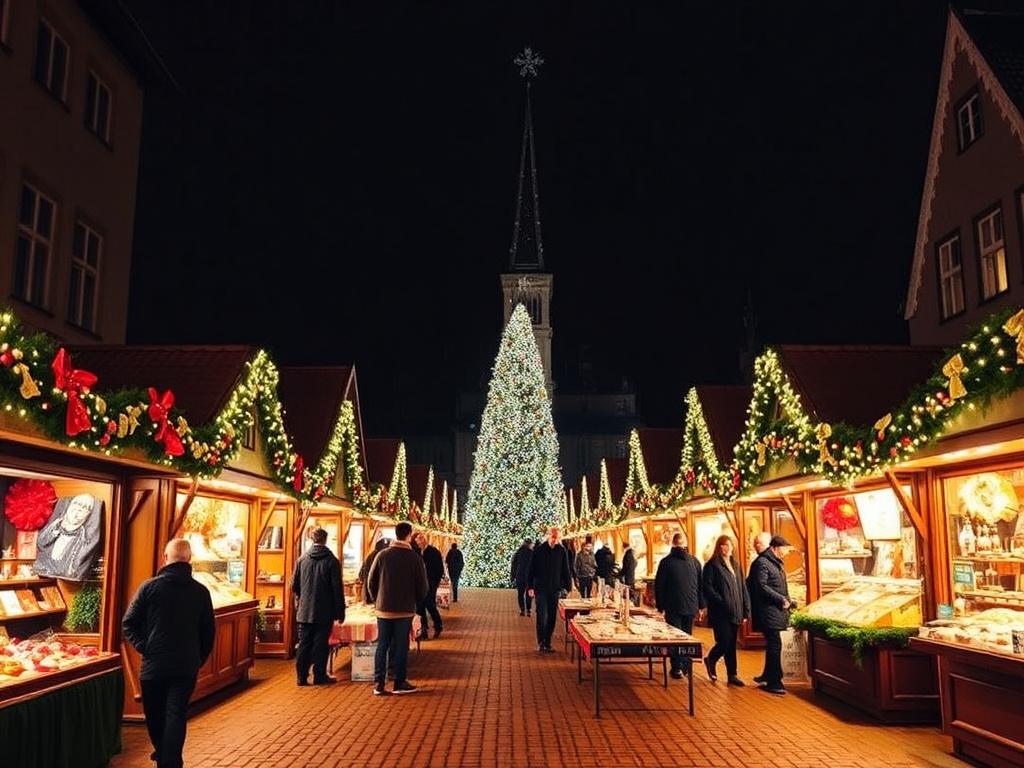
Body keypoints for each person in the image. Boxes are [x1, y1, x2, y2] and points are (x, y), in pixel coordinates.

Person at [122, 539, 215, 768]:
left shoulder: (149, 587)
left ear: (165, 558)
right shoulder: (201, 592)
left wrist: (145, 646)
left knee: (154, 715)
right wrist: (198, 658)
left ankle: (166, 757)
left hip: (154, 666)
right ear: (189, 559)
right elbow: (208, 631)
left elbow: (128, 623)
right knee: (176, 714)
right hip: (186, 664)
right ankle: (170, 759)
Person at [366, 521, 428, 696]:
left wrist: (376, 600)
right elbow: (423, 587)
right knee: (401, 646)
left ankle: (379, 683)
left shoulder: (382, 555)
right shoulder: (415, 558)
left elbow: (371, 581)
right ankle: (399, 682)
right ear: (409, 536)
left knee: (382, 644)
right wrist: (415, 602)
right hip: (405, 610)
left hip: (383, 609)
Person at [292, 527, 346, 685]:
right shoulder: (332, 561)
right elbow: (337, 589)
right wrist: (340, 612)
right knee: (321, 643)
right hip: (324, 610)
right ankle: (319, 675)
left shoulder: (302, 559)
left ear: (312, 539)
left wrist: (302, 598)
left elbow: (294, 584)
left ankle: (301, 676)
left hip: (304, 611)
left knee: (304, 643)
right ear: (325, 540)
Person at [702, 535, 750, 686]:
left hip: (736, 610)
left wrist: (746, 610)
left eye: (730, 545)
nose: (729, 548)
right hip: (721, 612)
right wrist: (721, 601)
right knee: (724, 642)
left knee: (731, 644)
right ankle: (711, 659)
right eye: (725, 545)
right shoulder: (712, 565)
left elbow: (743, 588)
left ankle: (732, 674)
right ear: (719, 547)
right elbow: (707, 587)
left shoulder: (736, 565)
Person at [654, 531, 704, 679]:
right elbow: (700, 585)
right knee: (687, 635)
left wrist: (660, 606)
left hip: (673, 605)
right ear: (685, 544)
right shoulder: (695, 561)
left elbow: (660, 585)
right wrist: (700, 605)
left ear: (673, 544)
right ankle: (686, 664)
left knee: (675, 636)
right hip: (691, 605)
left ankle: (676, 667)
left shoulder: (666, 562)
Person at [748, 534, 793, 695]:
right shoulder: (762, 563)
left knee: (772, 643)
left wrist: (788, 600)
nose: (786, 553)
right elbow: (761, 586)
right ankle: (775, 682)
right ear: (775, 548)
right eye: (784, 549)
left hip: (776, 610)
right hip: (768, 611)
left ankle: (768, 675)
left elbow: (779, 586)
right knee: (775, 644)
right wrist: (781, 599)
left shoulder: (774, 563)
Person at [527, 526, 572, 653]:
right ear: (548, 535)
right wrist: (530, 586)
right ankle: (541, 642)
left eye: (557, 538)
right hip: (540, 588)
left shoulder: (561, 551)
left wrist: (568, 586)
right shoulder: (539, 550)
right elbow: (531, 569)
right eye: (553, 537)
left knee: (552, 616)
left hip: (554, 589)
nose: (555, 540)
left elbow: (565, 569)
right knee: (542, 616)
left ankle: (548, 642)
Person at [414, 533, 444, 639]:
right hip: (419, 585)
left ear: (425, 540)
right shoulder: (415, 552)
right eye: (418, 540)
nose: (420, 541)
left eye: (422, 539)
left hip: (431, 584)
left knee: (430, 605)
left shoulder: (434, 552)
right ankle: (423, 629)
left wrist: (435, 583)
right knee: (420, 607)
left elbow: (440, 569)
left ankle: (438, 626)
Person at [359, 538, 389, 604]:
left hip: (371, 595)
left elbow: (361, 576)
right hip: (378, 595)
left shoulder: (370, 556)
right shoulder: (382, 557)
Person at [510, 538, 534, 616]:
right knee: (528, 593)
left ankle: (522, 609)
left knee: (520, 594)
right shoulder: (532, 553)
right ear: (530, 544)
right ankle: (529, 609)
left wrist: (512, 576)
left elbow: (514, 565)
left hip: (519, 576)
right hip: (529, 577)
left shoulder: (518, 552)